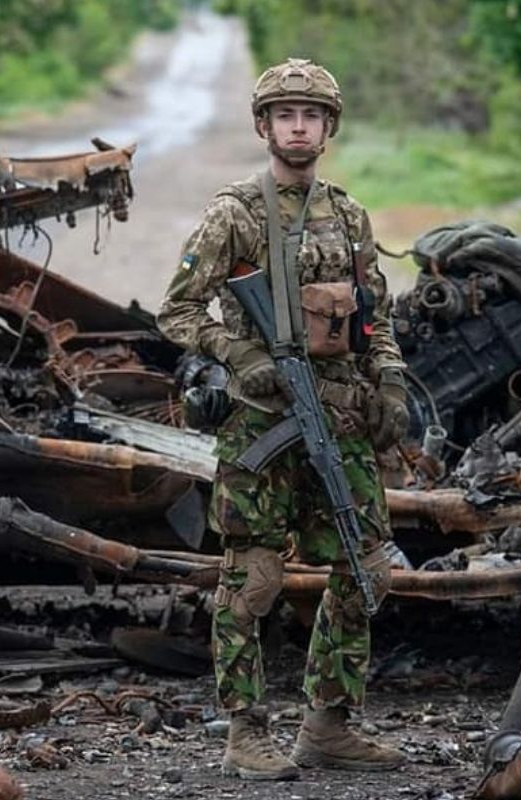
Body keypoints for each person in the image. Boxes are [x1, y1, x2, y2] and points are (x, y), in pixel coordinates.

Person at [157, 58, 410, 781]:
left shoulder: (350, 214)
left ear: (328, 128)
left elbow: (375, 316)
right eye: (284, 115)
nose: (298, 126)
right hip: (263, 421)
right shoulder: (234, 211)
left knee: (366, 571)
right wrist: (238, 351)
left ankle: (328, 723)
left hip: (342, 415)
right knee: (254, 578)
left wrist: (388, 380)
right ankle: (245, 732)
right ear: (264, 126)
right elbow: (177, 309)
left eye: (311, 115)